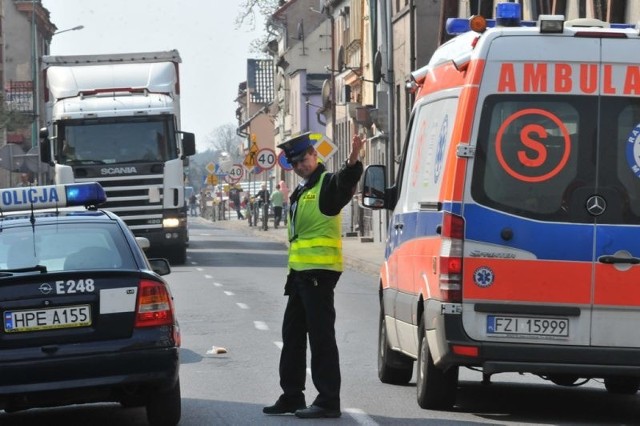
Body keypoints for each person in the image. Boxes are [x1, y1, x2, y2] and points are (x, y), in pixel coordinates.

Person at [263, 132, 365, 419]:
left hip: (319, 274)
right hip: (300, 275)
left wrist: (354, 156)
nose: (300, 166)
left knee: (320, 338)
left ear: (315, 156)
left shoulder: (327, 184)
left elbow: (346, 182)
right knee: (292, 336)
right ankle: (292, 395)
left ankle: (328, 400)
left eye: (304, 159)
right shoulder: (303, 189)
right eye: (295, 163)